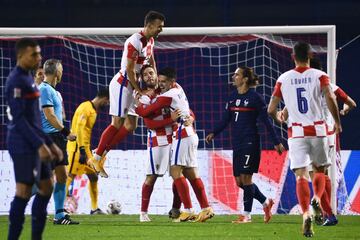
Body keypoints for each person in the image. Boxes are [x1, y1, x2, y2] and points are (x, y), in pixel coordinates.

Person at [268, 42, 342, 237]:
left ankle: (306, 214)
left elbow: (271, 109)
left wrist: (280, 118)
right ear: (310, 54)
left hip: (296, 134)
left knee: (301, 175)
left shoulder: (284, 78)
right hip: (318, 131)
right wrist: (337, 122)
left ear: (293, 57)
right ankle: (317, 198)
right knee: (320, 170)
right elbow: (331, 98)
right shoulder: (320, 76)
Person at [278, 57, 357, 226]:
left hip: (304, 133)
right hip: (326, 134)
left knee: (311, 174)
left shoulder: (298, 84)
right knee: (321, 174)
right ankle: (326, 211)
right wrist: (344, 111)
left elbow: (284, 114)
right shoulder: (329, 85)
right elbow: (351, 103)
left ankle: (323, 210)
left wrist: (284, 117)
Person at [88, 11, 165, 177]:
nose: (161, 30)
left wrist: (156, 82)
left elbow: (151, 60)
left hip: (131, 85)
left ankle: (100, 152)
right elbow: (130, 70)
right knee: (117, 123)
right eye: (159, 27)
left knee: (131, 125)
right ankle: (96, 157)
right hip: (123, 84)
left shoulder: (150, 41)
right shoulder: (134, 41)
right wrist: (139, 90)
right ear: (150, 25)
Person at [205, 67, 284, 224]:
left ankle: (246, 215)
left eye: (237, 74)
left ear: (245, 79)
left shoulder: (255, 98)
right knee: (239, 182)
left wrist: (276, 142)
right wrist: (214, 132)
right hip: (237, 143)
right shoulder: (233, 97)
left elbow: (266, 122)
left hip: (250, 142)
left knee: (246, 178)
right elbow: (226, 119)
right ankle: (266, 202)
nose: (233, 76)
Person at [136, 67, 214, 223]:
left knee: (175, 172)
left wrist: (136, 105)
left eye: (163, 81)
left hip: (180, 135)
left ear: (172, 82)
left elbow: (145, 112)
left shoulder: (166, 95)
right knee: (191, 173)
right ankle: (206, 209)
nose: (160, 83)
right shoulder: (178, 88)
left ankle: (188, 210)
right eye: (160, 80)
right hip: (184, 134)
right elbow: (151, 122)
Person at [5, 38, 63, 240]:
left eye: (39, 54)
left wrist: (49, 144)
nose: (39, 58)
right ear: (21, 56)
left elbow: (35, 119)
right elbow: (19, 120)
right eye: (34, 54)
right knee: (23, 191)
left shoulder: (30, 79)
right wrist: (40, 145)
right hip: (21, 144)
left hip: (37, 139)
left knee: (47, 187)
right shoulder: (16, 81)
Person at [136, 65, 182, 222]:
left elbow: (186, 110)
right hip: (157, 141)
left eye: (151, 72)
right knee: (152, 176)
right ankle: (143, 213)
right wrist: (171, 119)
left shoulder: (172, 90)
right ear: (141, 79)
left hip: (176, 138)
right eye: (145, 75)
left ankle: (176, 210)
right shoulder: (144, 97)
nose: (149, 76)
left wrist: (190, 118)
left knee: (178, 176)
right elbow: (149, 124)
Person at [39, 59, 79, 225]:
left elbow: (57, 115)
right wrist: (66, 132)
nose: (62, 72)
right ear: (56, 72)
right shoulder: (44, 89)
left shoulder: (55, 92)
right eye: (61, 69)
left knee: (62, 176)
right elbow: (49, 115)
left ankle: (60, 215)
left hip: (57, 138)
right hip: (47, 139)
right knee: (44, 181)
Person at [65, 88, 110, 215]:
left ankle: (94, 209)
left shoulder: (92, 110)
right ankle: (60, 208)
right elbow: (79, 128)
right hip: (77, 148)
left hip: (85, 149)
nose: (107, 105)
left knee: (93, 176)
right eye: (107, 102)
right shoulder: (86, 108)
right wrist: (82, 150)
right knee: (70, 176)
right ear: (104, 98)